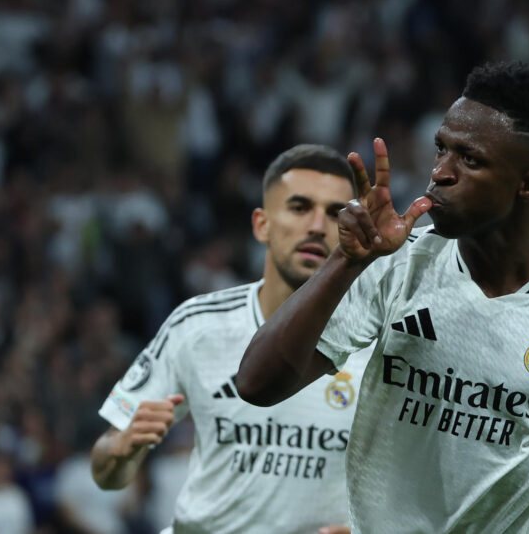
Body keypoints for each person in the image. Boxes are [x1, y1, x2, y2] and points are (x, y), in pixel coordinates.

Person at [236, 62, 529, 533]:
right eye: (441, 149)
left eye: (469, 160)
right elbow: (256, 385)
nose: (439, 173)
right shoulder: (393, 264)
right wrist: (346, 261)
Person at [92, 144, 368, 534]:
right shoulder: (198, 325)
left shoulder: (374, 341)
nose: (316, 227)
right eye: (299, 207)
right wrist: (122, 451)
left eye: (335, 213)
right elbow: (106, 473)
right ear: (262, 224)